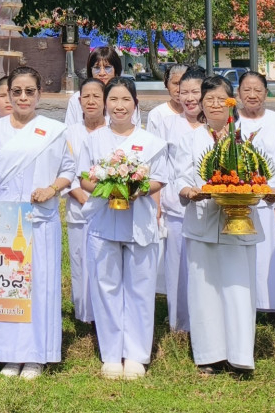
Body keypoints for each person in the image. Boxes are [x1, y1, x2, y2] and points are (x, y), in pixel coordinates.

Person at [0, 67, 74, 379]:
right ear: (6, 95)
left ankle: (35, 356)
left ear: (39, 94)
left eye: (29, 91)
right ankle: (7, 352)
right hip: (3, 221)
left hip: (40, 220)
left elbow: (69, 170)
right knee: (5, 286)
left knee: (39, 286)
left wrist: (52, 189)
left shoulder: (54, 130)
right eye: (16, 91)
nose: (23, 97)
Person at [77, 78, 165, 379]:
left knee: (140, 288)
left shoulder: (151, 141)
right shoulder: (94, 139)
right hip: (104, 221)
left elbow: (160, 178)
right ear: (105, 104)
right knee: (106, 286)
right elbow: (84, 178)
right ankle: (112, 354)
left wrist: (134, 188)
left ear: (135, 104)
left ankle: (137, 355)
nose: (119, 105)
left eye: (125, 99)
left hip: (139, 222)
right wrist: (109, 188)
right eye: (113, 99)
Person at [175, 77, 263, 376]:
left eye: (220, 98)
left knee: (239, 289)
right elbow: (181, 177)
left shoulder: (247, 138)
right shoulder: (189, 139)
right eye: (208, 99)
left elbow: (260, 176)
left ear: (231, 102)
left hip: (239, 221)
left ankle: (240, 356)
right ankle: (209, 356)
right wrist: (188, 191)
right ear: (200, 104)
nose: (214, 104)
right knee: (204, 290)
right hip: (202, 221)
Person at [234, 70, 275, 319]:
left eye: (257, 90)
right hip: (239, 197)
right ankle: (247, 304)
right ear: (238, 93)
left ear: (266, 94)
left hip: (271, 197)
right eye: (246, 90)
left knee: (270, 254)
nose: (252, 95)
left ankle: (273, 306)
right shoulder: (232, 122)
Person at [150, 65, 205, 332]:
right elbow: (158, 166)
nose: (190, 97)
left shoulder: (216, 126)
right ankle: (179, 324)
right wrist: (157, 204)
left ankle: (204, 322)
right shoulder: (168, 124)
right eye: (184, 92)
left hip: (209, 209)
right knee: (177, 268)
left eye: (196, 91)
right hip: (175, 207)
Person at [63, 78, 107, 331]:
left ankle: (105, 312)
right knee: (80, 261)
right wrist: (81, 197)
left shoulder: (113, 131)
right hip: (79, 208)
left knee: (104, 261)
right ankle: (84, 315)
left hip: (110, 209)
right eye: (86, 97)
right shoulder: (69, 133)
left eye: (96, 97)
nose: (91, 101)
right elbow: (66, 171)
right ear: (79, 102)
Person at [64, 50, 122, 127]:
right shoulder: (76, 99)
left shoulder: (126, 98)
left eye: (107, 68)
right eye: (97, 68)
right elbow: (69, 131)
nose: (102, 73)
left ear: (116, 70)